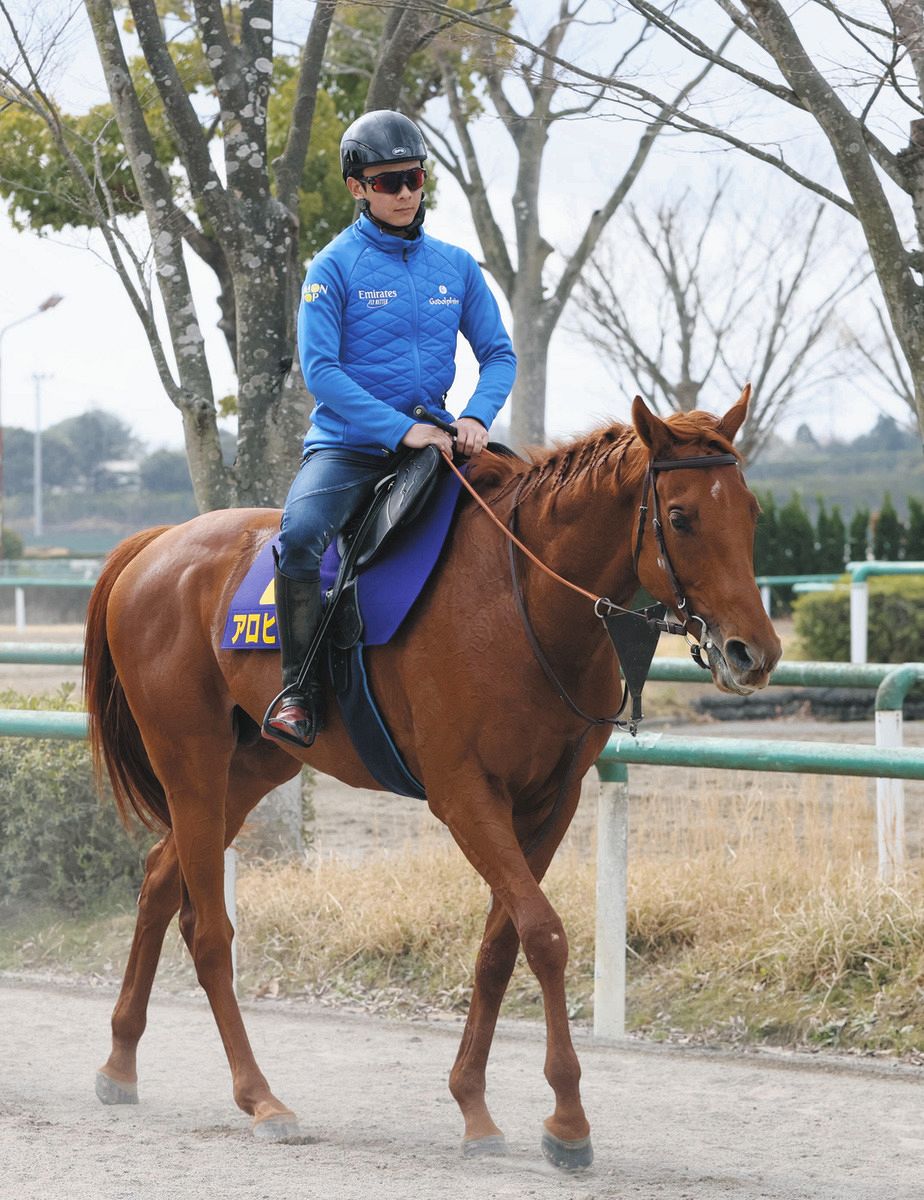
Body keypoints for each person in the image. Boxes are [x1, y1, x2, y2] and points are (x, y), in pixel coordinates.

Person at [264, 109, 516, 749]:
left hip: (437, 443)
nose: (405, 192)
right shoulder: (331, 268)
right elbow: (320, 372)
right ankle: (297, 690)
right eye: (388, 181)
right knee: (298, 540)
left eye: (413, 178)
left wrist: (476, 416)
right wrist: (399, 431)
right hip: (347, 451)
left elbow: (500, 355)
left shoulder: (456, 267)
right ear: (358, 187)